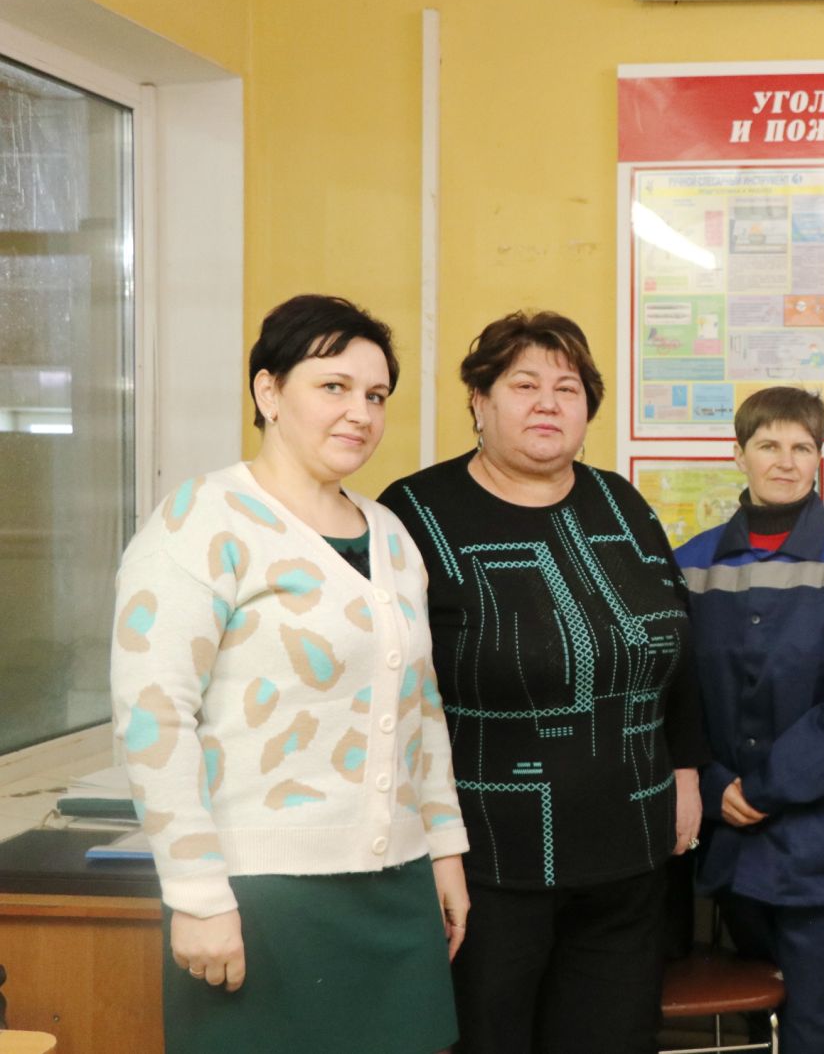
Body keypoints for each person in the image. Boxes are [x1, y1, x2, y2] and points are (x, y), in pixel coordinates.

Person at [110, 294, 470, 1054]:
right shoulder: (200, 521)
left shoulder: (392, 536)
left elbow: (422, 707)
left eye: (376, 395)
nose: (360, 413)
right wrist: (197, 894)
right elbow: (154, 716)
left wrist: (443, 847)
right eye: (333, 386)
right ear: (268, 392)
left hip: (397, 888)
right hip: (256, 896)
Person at [379, 310, 709, 1054]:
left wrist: (686, 768)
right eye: (524, 385)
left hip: (630, 852)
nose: (548, 404)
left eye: (567, 388)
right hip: (488, 863)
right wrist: (426, 841)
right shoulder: (415, 513)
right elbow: (391, 690)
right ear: (479, 401)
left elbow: (676, 640)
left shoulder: (620, 503)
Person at [676, 386, 824, 1054]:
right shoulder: (692, 564)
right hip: (734, 851)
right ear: (738, 454)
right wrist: (714, 784)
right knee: (765, 1027)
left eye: (801, 447)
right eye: (768, 445)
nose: (785, 461)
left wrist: (763, 788)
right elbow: (677, 696)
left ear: (820, 458)